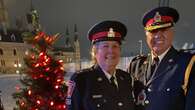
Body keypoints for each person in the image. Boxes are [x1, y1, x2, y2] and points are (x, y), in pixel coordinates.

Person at [128, 6, 195, 110]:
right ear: (146, 35)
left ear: (172, 32)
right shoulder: (136, 65)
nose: (158, 35)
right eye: (153, 31)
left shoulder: (188, 64)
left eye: (164, 29)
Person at [66, 20, 135, 110]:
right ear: (95, 52)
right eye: (105, 46)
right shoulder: (81, 80)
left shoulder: (126, 79)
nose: (111, 51)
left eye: (115, 46)